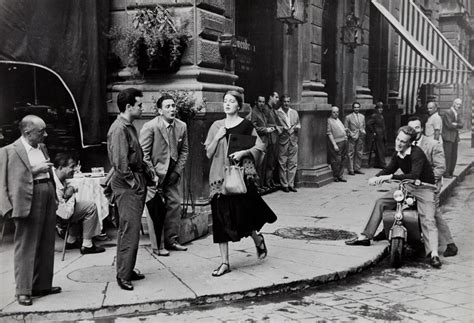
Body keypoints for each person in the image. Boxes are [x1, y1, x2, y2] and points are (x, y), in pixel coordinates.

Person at [345, 125, 442, 268]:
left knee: (428, 218)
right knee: (381, 202)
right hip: (408, 186)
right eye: (398, 139)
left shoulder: (417, 153)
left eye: (403, 141)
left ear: (410, 143)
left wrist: (390, 177)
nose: (398, 143)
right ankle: (366, 236)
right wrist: (376, 177)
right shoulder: (398, 154)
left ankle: (433, 254)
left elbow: (414, 174)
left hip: (425, 188)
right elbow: (389, 168)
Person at [204, 90, 277, 277]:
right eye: (225, 101)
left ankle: (256, 237)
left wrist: (243, 153)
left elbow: (260, 146)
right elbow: (208, 153)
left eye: (231, 101)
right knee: (221, 220)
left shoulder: (246, 125)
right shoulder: (216, 126)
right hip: (219, 178)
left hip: (239, 177)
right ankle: (224, 262)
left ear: (239, 105)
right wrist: (218, 136)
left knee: (242, 215)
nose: (227, 104)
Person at [0, 115, 61, 306]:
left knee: (46, 240)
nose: (46, 134)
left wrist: (55, 195)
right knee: (26, 245)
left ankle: (42, 284)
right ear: (27, 132)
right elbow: (1, 183)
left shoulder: (41, 147)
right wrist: (6, 208)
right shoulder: (8, 151)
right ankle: (23, 290)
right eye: (41, 131)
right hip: (27, 198)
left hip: (47, 193)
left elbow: (49, 172)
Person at [107, 88, 147, 291]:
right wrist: (135, 183)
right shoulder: (119, 129)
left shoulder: (128, 126)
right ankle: (123, 275)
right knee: (128, 230)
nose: (143, 108)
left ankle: (127, 268)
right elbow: (121, 164)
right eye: (140, 104)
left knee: (132, 230)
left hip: (133, 181)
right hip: (127, 184)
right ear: (129, 106)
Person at [140, 93, 189, 256]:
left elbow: (184, 151)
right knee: (156, 210)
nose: (172, 109)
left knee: (174, 205)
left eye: (173, 106)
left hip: (172, 174)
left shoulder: (182, 126)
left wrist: (177, 171)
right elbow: (143, 154)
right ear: (160, 111)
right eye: (167, 106)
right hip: (154, 175)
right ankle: (158, 246)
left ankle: (172, 240)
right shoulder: (151, 127)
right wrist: (152, 175)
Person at [407, 117, 458, 257]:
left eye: (417, 128)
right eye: (411, 128)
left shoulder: (433, 144)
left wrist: (424, 180)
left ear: (422, 128)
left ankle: (450, 244)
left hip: (430, 185)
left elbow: (441, 168)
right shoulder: (407, 144)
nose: (414, 131)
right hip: (414, 185)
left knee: (433, 212)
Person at [52, 153, 105, 254]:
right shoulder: (55, 184)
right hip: (58, 218)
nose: (75, 169)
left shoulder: (59, 176)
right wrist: (71, 196)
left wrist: (71, 188)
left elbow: (74, 184)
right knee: (91, 207)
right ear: (60, 167)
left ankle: (71, 240)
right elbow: (65, 214)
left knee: (79, 205)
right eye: (72, 166)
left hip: (59, 212)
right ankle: (87, 245)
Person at [249, 95, 278, 191]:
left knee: (264, 165)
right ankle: (257, 186)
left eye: (263, 102)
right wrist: (266, 130)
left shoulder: (262, 112)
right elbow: (254, 127)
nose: (262, 104)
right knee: (259, 165)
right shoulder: (254, 112)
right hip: (259, 141)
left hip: (265, 141)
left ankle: (261, 185)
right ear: (256, 102)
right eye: (260, 101)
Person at [275, 95, 301, 192]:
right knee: (282, 163)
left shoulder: (294, 112)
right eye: (284, 101)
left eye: (288, 101)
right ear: (282, 102)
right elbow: (275, 126)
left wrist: (297, 127)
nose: (286, 103)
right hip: (283, 140)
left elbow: (298, 123)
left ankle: (291, 184)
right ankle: (284, 184)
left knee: (293, 162)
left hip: (293, 139)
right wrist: (282, 129)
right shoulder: (277, 113)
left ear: (290, 102)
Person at [442, 98, 464, 178]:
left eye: (460, 105)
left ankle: (451, 172)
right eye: (457, 104)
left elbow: (462, 124)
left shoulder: (457, 113)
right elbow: (449, 125)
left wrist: (455, 124)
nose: (459, 106)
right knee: (448, 155)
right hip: (448, 137)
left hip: (454, 137)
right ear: (453, 103)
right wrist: (456, 124)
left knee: (454, 155)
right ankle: (446, 173)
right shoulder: (448, 112)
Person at [326, 106, 347, 182]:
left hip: (344, 141)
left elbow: (340, 128)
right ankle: (335, 175)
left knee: (343, 159)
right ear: (331, 113)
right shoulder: (329, 120)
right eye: (334, 112)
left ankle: (340, 175)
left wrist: (345, 130)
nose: (336, 114)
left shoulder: (338, 119)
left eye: (337, 112)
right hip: (337, 142)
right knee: (336, 160)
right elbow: (329, 133)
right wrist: (334, 144)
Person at [344, 102, 366, 175]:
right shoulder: (348, 117)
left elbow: (363, 126)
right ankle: (351, 169)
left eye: (358, 107)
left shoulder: (362, 116)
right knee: (350, 153)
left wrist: (363, 132)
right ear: (353, 108)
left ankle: (357, 168)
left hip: (360, 136)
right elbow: (346, 128)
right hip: (352, 136)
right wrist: (349, 134)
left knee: (359, 153)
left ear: (359, 108)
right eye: (355, 107)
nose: (356, 109)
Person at [366, 101, 387, 168]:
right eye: (379, 108)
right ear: (376, 109)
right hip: (378, 135)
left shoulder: (381, 116)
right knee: (380, 150)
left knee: (379, 150)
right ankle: (382, 164)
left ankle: (377, 164)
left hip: (382, 134)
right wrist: (373, 131)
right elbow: (368, 124)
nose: (381, 109)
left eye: (381, 108)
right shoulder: (374, 116)